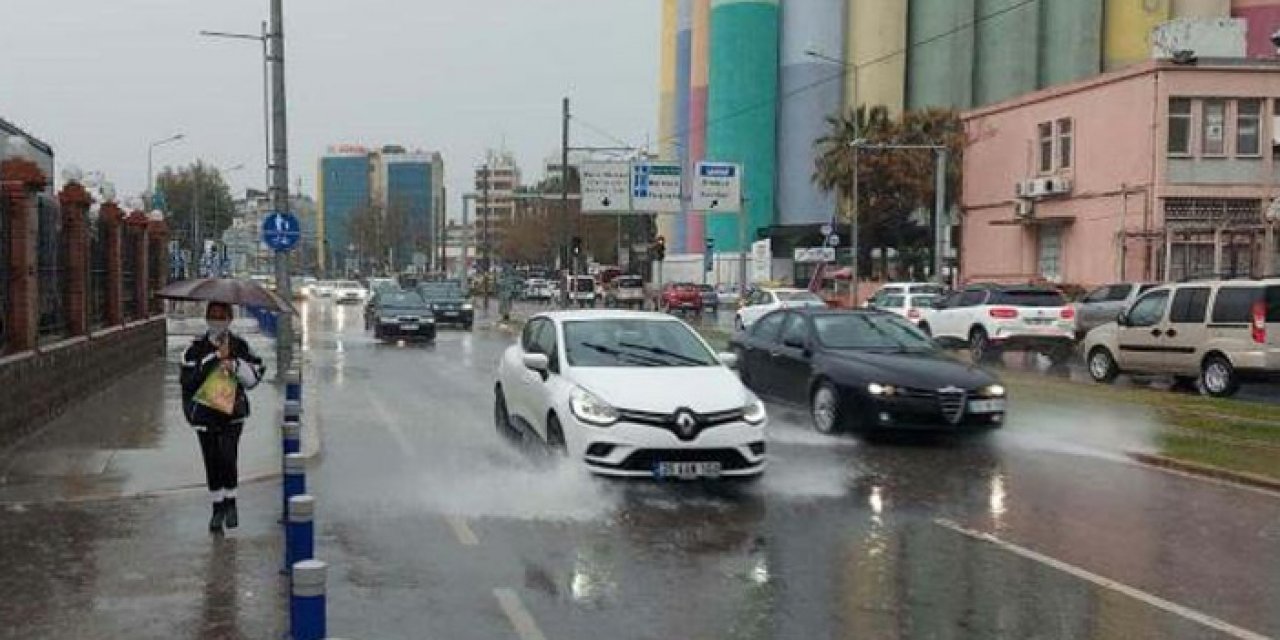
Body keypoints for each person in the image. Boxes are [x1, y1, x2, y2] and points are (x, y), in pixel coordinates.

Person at [180, 302, 265, 533]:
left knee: (228, 456)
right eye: (213, 316)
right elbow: (188, 379)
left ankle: (231, 502)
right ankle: (217, 508)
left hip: (232, 413)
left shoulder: (240, 345)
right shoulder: (195, 348)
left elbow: (254, 378)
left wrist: (235, 364)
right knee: (212, 459)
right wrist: (215, 357)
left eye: (222, 316)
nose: (217, 320)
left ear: (230, 318)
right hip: (205, 415)